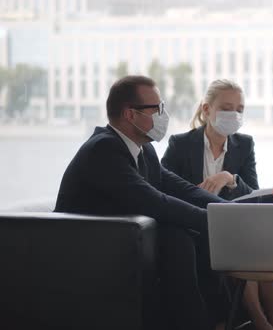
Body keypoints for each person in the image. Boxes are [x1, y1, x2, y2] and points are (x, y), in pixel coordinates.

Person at [55, 75, 229, 330]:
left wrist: (230, 213)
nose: (163, 115)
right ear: (130, 114)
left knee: (194, 235)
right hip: (84, 251)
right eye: (157, 108)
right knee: (178, 237)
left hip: (123, 242)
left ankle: (218, 321)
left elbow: (181, 189)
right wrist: (216, 222)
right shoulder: (103, 150)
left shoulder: (142, 148)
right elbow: (154, 201)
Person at [162, 79, 273, 330]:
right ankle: (262, 321)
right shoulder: (180, 144)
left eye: (240, 109)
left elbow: (254, 193)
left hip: (235, 222)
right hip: (196, 224)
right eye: (227, 108)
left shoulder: (244, 144)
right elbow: (164, 187)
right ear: (207, 110)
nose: (235, 114)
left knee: (256, 241)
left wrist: (230, 178)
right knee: (244, 244)